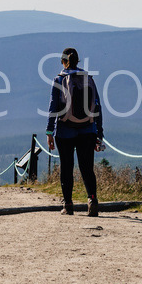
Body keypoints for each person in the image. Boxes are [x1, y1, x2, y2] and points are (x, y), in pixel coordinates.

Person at [46, 47, 104, 216]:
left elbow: (53, 107)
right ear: (78, 61)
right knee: (87, 167)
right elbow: (97, 107)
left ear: (63, 62)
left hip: (65, 130)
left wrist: (49, 132)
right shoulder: (88, 78)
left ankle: (68, 205)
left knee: (66, 167)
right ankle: (92, 200)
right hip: (88, 130)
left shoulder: (59, 79)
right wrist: (99, 133)